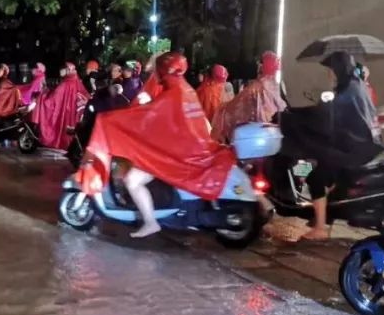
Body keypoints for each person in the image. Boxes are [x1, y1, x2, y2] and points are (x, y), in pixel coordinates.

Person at [77, 52, 234, 238]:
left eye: (157, 69)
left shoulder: (172, 95)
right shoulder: (186, 90)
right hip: (186, 148)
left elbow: (147, 116)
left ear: (163, 71)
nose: (155, 74)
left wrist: (109, 121)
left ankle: (151, 222)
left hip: (173, 154)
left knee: (132, 181)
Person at [282, 51, 382, 241]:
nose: (329, 74)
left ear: (339, 70)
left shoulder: (348, 91)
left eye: (331, 70)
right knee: (322, 156)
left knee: (314, 171)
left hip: (355, 149)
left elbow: (326, 117)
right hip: (363, 144)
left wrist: (294, 117)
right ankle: (323, 208)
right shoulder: (357, 86)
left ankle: (320, 227)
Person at [213, 52, 288, 143]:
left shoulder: (255, 87)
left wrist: (221, 111)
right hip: (275, 134)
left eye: (260, 63)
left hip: (256, 136)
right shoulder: (278, 86)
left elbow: (235, 109)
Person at [35, 61, 89, 151]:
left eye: (63, 69)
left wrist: (43, 95)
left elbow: (52, 100)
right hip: (74, 114)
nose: (60, 71)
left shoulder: (65, 84)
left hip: (67, 113)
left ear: (68, 70)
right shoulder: (76, 81)